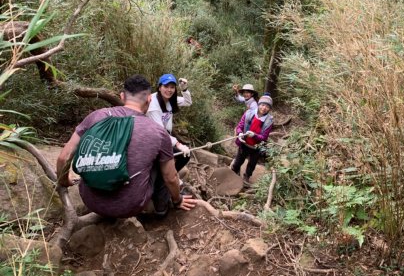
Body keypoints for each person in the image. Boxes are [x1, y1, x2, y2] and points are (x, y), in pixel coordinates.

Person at [56, 75, 197, 219]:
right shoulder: (158, 132)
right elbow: (171, 178)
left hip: (90, 201)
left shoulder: (96, 116)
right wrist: (177, 199)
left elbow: (63, 158)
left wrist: (64, 181)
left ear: (122, 96)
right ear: (149, 99)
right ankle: (161, 209)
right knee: (161, 164)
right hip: (129, 207)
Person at [147, 73, 192, 173]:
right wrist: (178, 144)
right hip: (153, 138)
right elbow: (160, 131)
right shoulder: (153, 105)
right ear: (159, 87)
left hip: (165, 136)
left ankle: (169, 176)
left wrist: (184, 90)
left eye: (172, 87)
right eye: (166, 86)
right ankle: (166, 179)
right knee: (183, 155)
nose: (169, 90)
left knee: (184, 155)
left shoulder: (170, 100)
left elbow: (187, 102)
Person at [231, 94, 274, 183]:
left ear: (269, 109)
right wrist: (240, 133)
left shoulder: (269, 121)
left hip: (256, 147)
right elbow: (240, 126)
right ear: (258, 104)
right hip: (244, 143)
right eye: (262, 105)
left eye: (267, 106)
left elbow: (264, 137)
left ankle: (246, 177)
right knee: (238, 162)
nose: (264, 108)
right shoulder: (249, 113)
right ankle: (235, 172)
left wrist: (254, 135)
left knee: (252, 164)